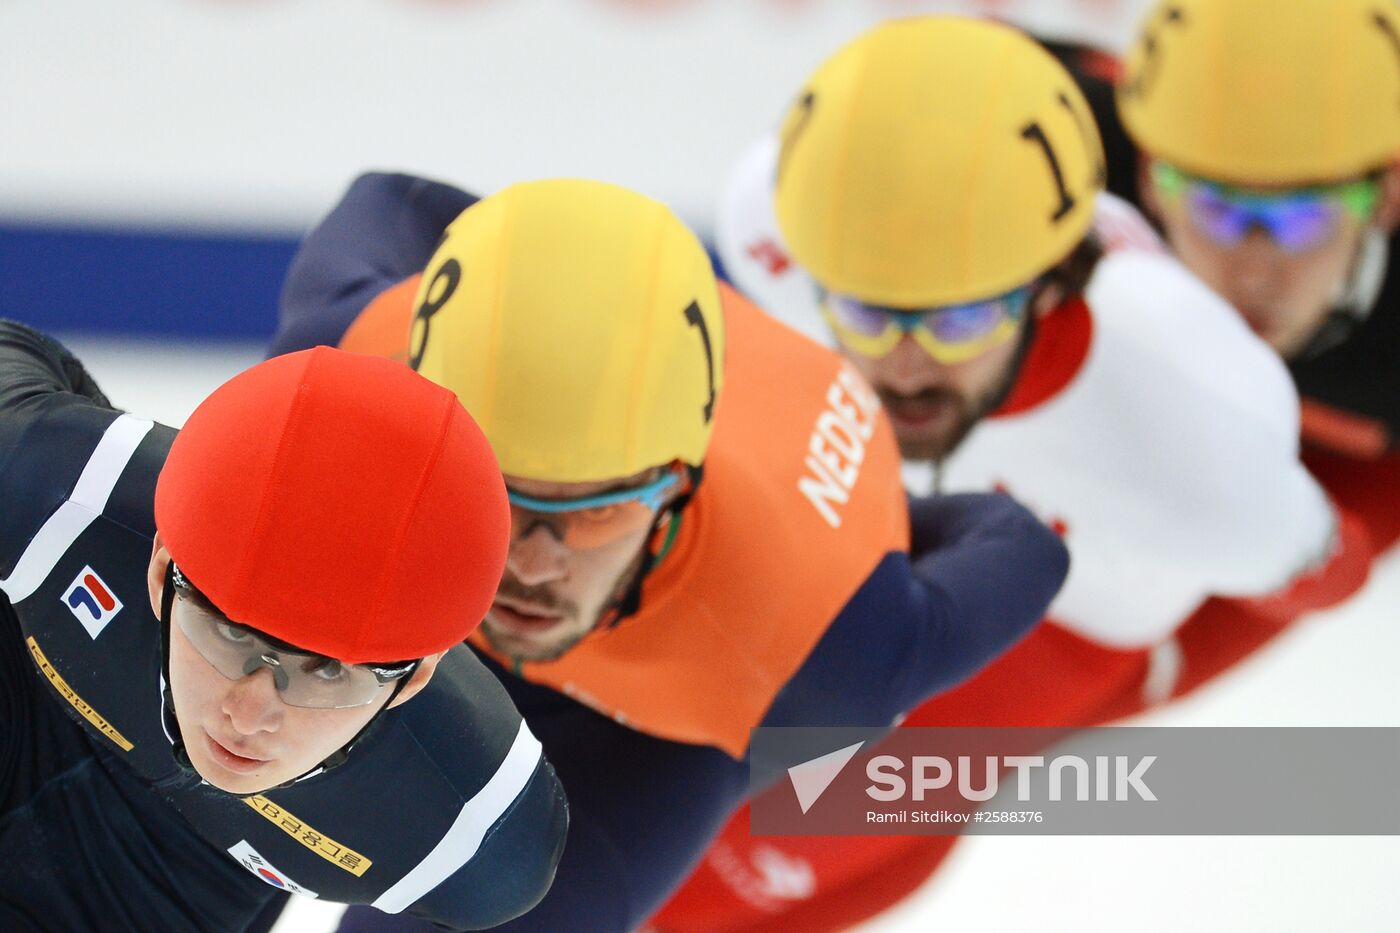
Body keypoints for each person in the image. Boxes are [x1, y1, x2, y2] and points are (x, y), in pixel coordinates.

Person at [650, 16, 1372, 932]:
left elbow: (1335, 555)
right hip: (949, 537)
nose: (905, 367)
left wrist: (1148, 674)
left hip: (1065, 616)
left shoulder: (1204, 445)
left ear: (1050, 280)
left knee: (738, 869)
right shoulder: (772, 209)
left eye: (954, 325)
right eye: (867, 313)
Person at [268, 174, 1072, 931]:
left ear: (677, 483)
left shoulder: (822, 648)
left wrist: (881, 529)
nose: (535, 563)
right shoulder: (346, 352)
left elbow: (1022, 544)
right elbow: (387, 198)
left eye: (596, 509)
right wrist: (513, 289)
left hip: (647, 732)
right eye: (497, 494)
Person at [0, 324, 568, 931]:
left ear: (413, 681)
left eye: (325, 672)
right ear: (162, 568)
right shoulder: (47, 489)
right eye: (231, 633)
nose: (245, 716)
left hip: (169, 888)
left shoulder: (473, 838)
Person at [1113, 0, 1400, 558]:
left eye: (1305, 217)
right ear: (1148, 179)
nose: (1254, 271)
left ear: (1387, 201)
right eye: (1214, 209)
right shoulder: (1067, 175)